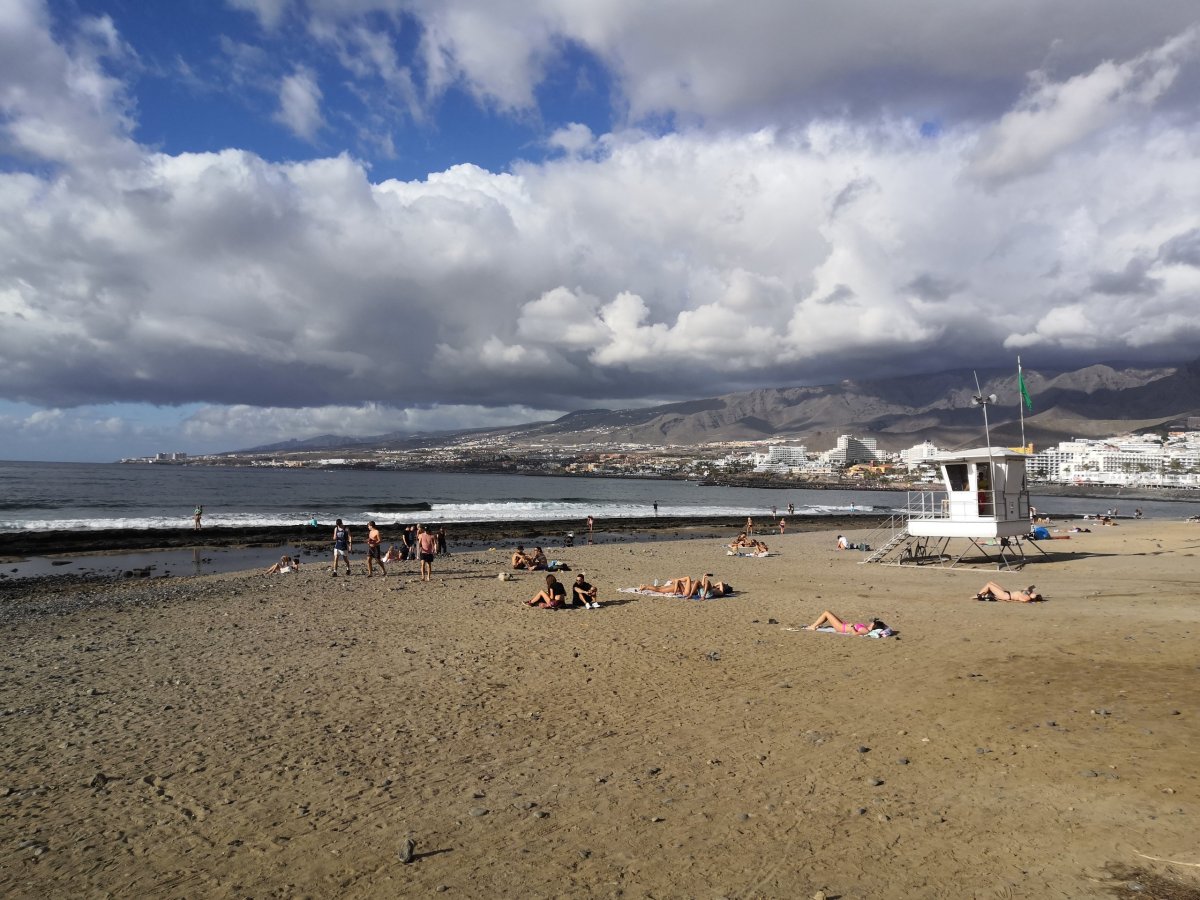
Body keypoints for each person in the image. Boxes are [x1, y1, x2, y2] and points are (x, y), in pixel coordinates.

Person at [637, 575, 731, 599]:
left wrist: (722, 583)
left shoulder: (715, 591)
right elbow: (703, 584)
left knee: (661, 589)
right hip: (685, 587)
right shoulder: (711, 589)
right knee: (661, 589)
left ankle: (645, 587)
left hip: (686, 588)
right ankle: (645, 587)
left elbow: (720, 584)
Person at [803, 611, 887, 634]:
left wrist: (851, 628)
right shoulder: (866, 627)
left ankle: (813, 626)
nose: (872, 622)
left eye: (874, 622)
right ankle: (815, 625)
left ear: (874, 625)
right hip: (843, 625)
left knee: (827, 613)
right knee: (828, 615)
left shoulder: (866, 630)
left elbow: (855, 634)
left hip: (841, 628)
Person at [974, 582, 1043, 602]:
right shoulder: (1027, 594)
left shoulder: (1027, 598)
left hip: (1006, 596)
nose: (1034, 593)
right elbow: (1031, 587)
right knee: (990, 582)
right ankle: (979, 595)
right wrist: (1031, 590)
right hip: (1007, 593)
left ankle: (979, 596)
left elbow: (1023, 599)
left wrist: (1031, 596)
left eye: (1035, 594)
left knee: (989, 585)